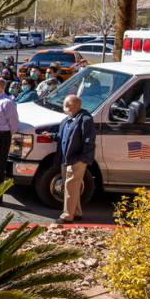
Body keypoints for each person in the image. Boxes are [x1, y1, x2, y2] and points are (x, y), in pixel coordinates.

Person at [58, 94, 95, 222]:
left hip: (77, 159)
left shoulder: (85, 119)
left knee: (70, 186)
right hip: (66, 159)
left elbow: (89, 142)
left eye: (64, 105)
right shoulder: (67, 119)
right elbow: (62, 135)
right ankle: (77, 212)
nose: (63, 107)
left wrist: (81, 158)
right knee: (73, 187)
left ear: (70, 106)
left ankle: (67, 216)